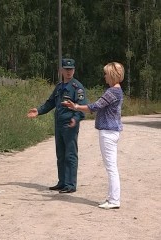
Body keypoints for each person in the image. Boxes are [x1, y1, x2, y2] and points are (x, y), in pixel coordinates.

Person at [62, 62, 124, 209]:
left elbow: (94, 107)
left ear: (112, 75)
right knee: (111, 167)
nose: (105, 77)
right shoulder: (117, 90)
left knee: (111, 167)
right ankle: (112, 197)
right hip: (112, 131)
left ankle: (114, 200)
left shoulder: (112, 92)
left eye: (106, 74)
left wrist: (76, 106)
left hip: (108, 132)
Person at [27, 58, 87, 193]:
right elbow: (50, 103)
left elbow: (81, 108)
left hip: (70, 125)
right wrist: (38, 111)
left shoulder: (77, 88)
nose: (68, 72)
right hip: (59, 125)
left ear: (74, 70)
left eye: (71, 69)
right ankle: (62, 182)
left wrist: (75, 119)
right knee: (60, 154)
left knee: (70, 155)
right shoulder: (59, 87)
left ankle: (70, 185)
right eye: (66, 69)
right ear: (61, 70)